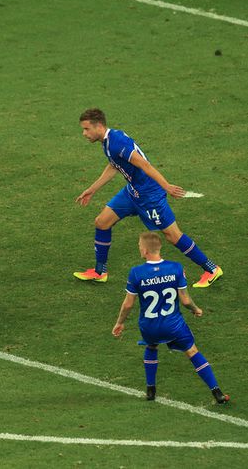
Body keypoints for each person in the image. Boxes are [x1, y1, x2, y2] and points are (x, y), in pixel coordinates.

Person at [73, 108, 222, 288]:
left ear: (98, 126)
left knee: (172, 235)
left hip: (149, 195)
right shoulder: (108, 141)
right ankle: (99, 272)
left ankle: (212, 269)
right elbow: (114, 165)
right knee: (102, 222)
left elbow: (144, 165)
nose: (84, 133)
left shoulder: (116, 142)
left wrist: (166, 186)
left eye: (87, 129)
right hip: (132, 191)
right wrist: (92, 189)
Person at [112, 232, 229, 403]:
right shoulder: (175, 268)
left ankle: (150, 391)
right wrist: (196, 309)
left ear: (145, 250)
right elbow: (185, 300)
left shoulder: (136, 273)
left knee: (151, 346)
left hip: (149, 326)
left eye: (139, 245)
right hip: (173, 325)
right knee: (192, 351)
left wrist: (119, 323)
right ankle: (217, 392)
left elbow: (128, 304)